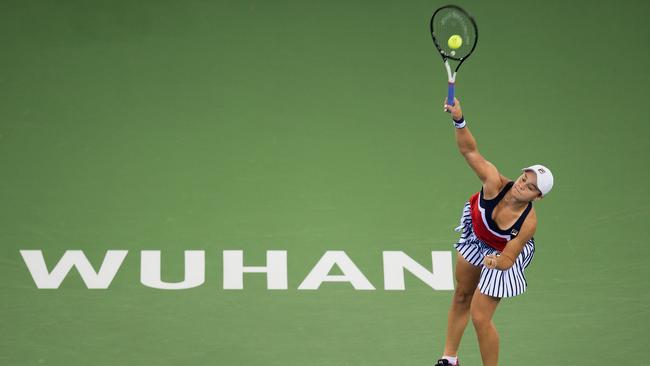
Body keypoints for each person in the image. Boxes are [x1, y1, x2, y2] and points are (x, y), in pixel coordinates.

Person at [435, 98, 554, 366]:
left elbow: (509, 258)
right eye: (525, 177)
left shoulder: (527, 222)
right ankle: (449, 359)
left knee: (480, 317)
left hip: (504, 253)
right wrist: (459, 119)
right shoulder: (493, 181)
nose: (524, 184)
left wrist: (494, 262)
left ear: (538, 197)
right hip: (479, 233)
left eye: (532, 186)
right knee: (462, 294)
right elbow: (470, 151)